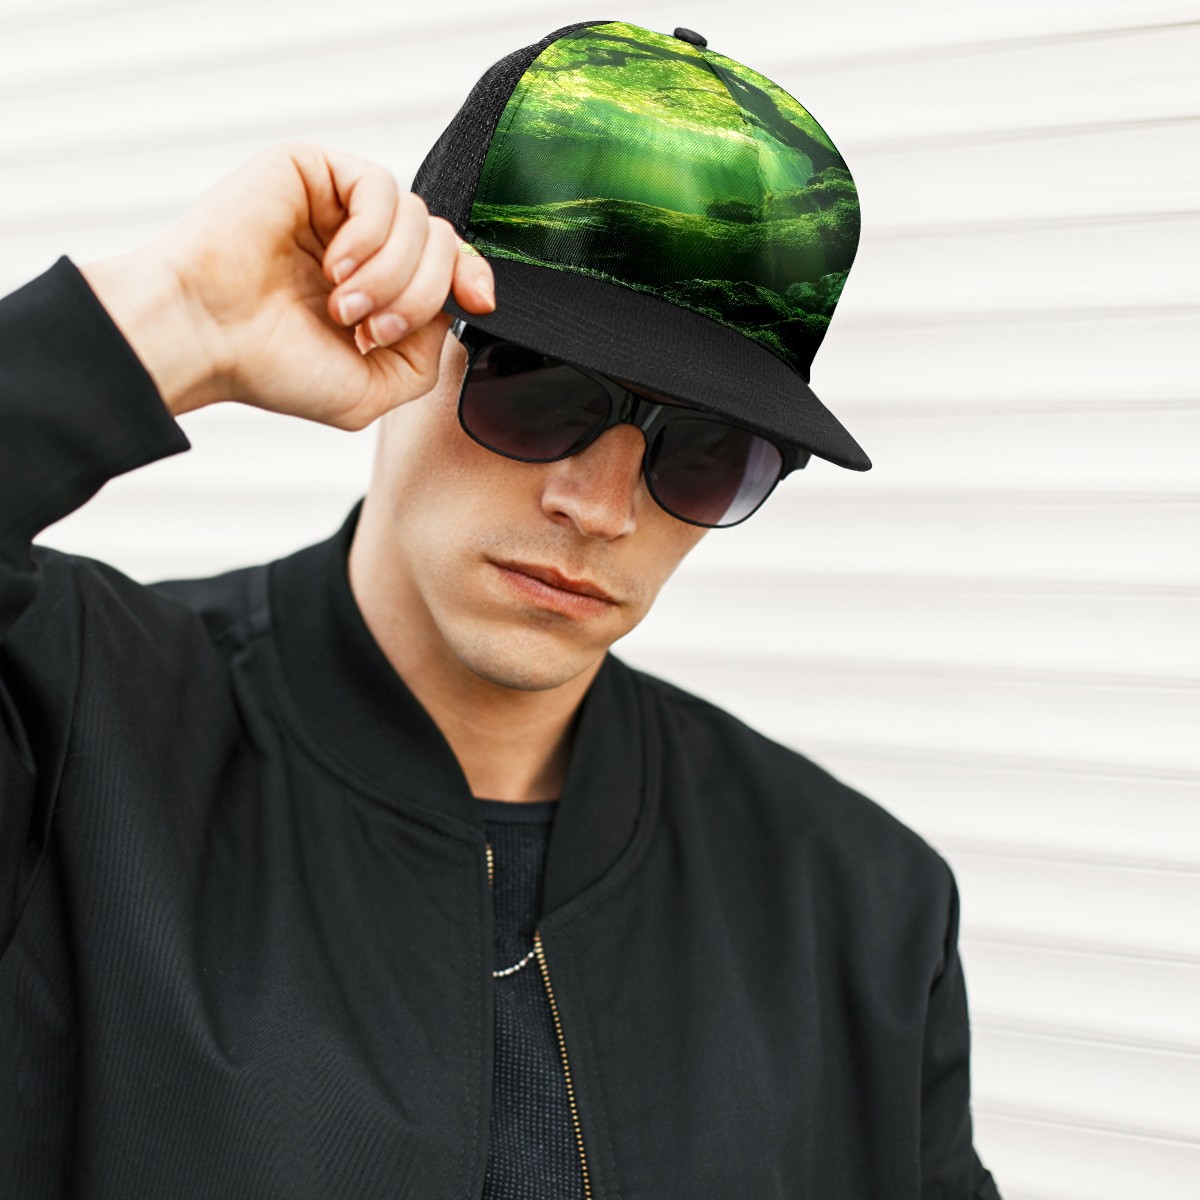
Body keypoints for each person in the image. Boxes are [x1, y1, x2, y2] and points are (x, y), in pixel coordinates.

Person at [0, 19, 1002, 1200]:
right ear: (396, 330)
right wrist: (170, 318)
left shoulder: (858, 909)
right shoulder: (68, 727)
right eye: (540, 388)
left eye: (707, 453)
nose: (602, 506)